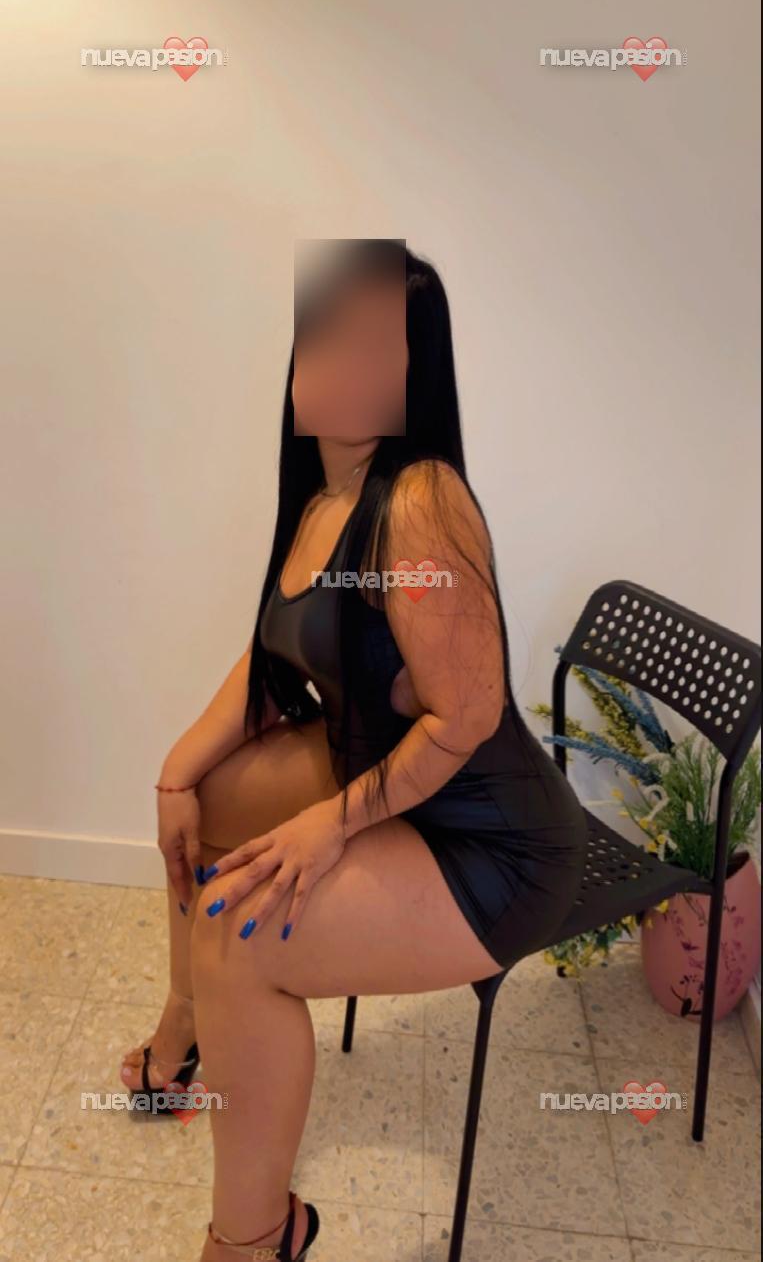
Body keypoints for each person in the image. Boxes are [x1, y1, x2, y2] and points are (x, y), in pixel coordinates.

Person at [119, 239, 589, 1260]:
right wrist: (175, 771)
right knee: (209, 806)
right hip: (389, 781)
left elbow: (463, 720)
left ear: (416, 374)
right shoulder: (323, 495)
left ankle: (254, 1239)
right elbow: (270, 659)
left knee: (237, 930)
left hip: (491, 847)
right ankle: (185, 1024)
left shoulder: (417, 503)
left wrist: (330, 825)